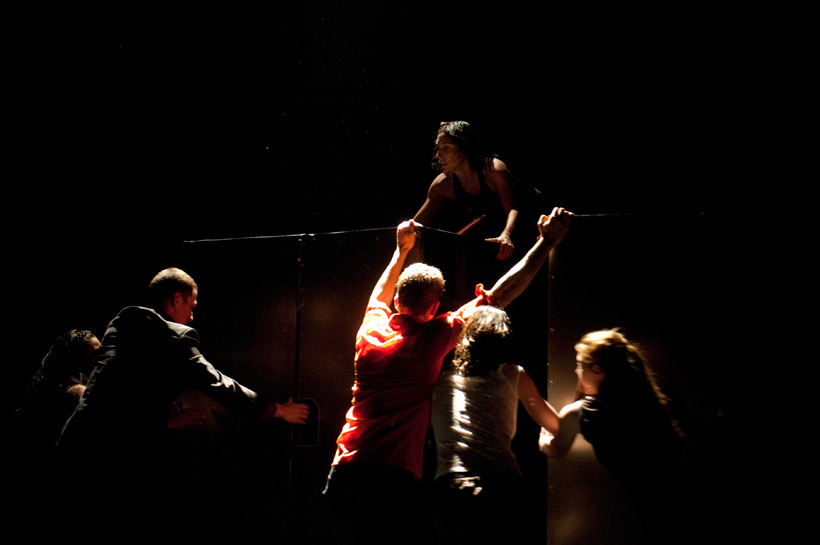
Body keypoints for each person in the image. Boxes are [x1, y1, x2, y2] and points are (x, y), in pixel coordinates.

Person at [322, 207, 573, 545]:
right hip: (393, 477)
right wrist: (546, 242)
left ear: (397, 300)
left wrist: (400, 251)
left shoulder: (370, 331)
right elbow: (501, 294)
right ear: (434, 307)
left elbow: (378, 293)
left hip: (345, 468)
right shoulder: (432, 337)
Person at [52, 267, 309, 538]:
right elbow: (218, 384)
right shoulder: (175, 336)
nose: (192, 316)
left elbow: (124, 392)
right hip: (114, 464)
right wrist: (278, 410)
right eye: (192, 306)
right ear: (177, 299)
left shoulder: (122, 321)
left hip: (73, 448)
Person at [538, 329, 696, 544]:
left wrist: (544, 434)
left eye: (580, 365)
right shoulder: (653, 395)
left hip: (661, 519)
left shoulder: (584, 412)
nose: (576, 371)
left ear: (597, 369)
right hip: (688, 502)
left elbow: (555, 448)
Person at [431, 305, 561, 544]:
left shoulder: (441, 379)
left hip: (452, 484)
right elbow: (555, 426)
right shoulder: (513, 374)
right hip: (502, 484)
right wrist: (545, 436)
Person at [414, 120, 531, 261]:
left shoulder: (493, 169)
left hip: (534, 217)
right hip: (501, 232)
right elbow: (416, 224)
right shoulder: (442, 184)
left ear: (465, 148)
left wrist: (506, 234)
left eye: (446, 148)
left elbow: (513, 209)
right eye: (438, 148)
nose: (438, 155)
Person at [8, 329, 100, 473]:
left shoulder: (51, 392)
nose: (102, 360)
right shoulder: (78, 393)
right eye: (96, 354)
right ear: (77, 360)